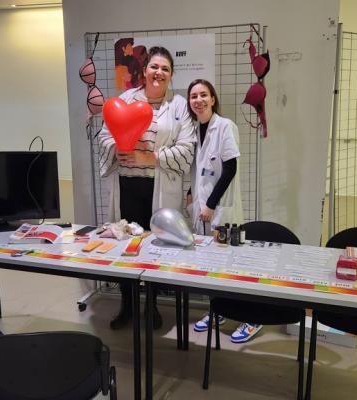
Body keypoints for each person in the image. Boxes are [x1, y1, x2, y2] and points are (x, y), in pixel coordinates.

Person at [99, 46, 196, 330]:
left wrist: (150, 157)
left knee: (156, 248)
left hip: (159, 189)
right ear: (144, 71)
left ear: (171, 75)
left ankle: (151, 305)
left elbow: (187, 147)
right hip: (128, 186)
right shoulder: (125, 99)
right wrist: (117, 150)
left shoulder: (178, 106)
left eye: (165, 69)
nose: (159, 73)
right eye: (154, 67)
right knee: (126, 246)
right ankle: (127, 305)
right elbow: (106, 135)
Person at [186, 79, 262, 343]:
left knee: (234, 265)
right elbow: (199, 169)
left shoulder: (225, 126)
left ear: (213, 98)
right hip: (204, 208)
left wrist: (210, 204)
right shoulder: (196, 129)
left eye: (203, 95)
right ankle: (218, 311)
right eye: (194, 96)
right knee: (210, 265)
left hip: (221, 210)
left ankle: (253, 318)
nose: (199, 100)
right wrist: (192, 195)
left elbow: (230, 170)